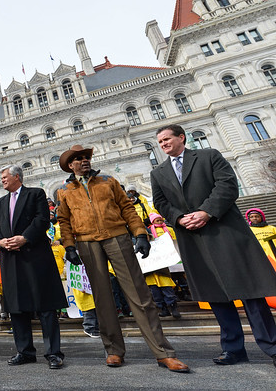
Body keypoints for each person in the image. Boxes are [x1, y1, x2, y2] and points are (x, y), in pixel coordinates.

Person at [151, 124, 276, 367]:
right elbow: (160, 202)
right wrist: (178, 218)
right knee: (215, 295)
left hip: (224, 232)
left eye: (167, 139)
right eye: (160, 142)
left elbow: (227, 185)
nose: (164, 144)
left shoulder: (209, 156)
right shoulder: (158, 172)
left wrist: (206, 212)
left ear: (181, 137)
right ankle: (233, 348)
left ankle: (272, 346)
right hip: (192, 238)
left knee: (250, 293)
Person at [56, 144, 189, 373]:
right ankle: (113, 350)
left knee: (139, 295)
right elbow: (64, 221)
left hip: (117, 237)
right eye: (78, 159)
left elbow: (127, 208)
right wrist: (69, 246)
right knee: (102, 298)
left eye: (86, 157)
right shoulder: (64, 190)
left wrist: (140, 233)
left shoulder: (108, 181)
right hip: (87, 242)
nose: (84, 161)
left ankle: (163, 353)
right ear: (70, 165)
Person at [0, 165, 67, 370]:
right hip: (11, 259)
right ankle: (24, 351)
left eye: (5, 176)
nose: (2, 180)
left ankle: (53, 353)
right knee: (16, 307)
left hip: (35, 257)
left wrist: (25, 238)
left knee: (45, 307)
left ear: (17, 177)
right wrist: (0, 242)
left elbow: (42, 220)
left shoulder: (36, 194)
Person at [146, 213, 181, 318]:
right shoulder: (148, 232)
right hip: (150, 271)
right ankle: (163, 309)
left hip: (162, 268)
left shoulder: (167, 230)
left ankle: (173, 307)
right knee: (155, 293)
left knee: (168, 290)